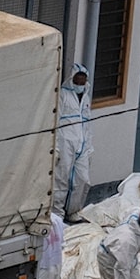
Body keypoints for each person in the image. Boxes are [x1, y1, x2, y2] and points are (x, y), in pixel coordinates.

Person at [53, 63, 94, 222]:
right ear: (72, 78)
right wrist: (55, 146)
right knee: (61, 178)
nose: (81, 81)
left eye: (84, 78)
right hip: (65, 141)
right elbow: (55, 120)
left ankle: (73, 211)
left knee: (82, 179)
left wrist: (89, 147)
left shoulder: (86, 97)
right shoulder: (62, 94)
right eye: (78, 77)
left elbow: (88, 123)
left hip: (82, 143)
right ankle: (57, 212)